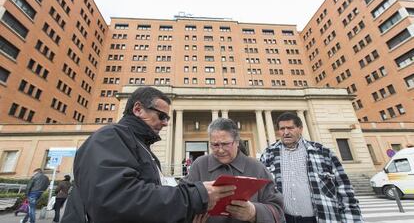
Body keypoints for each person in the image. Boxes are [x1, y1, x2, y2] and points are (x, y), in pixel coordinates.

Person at [62, 86, 235, 223]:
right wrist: (196, 196)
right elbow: (118, 201)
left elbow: (149, 206)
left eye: (167, 118)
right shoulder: (109, 137)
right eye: (161, 116)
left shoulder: (143, 148)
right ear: (138, 109)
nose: (165, 123)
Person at [260, 112, 362, 223]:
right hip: (283, 219)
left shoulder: (323, 152)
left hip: (319, 218)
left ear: (300, 129)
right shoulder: (268, 154)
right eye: (282, 129)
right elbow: (261, 189)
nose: (286, 133)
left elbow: (344, 189)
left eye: (290, 128)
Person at [186, 118, 284, 223]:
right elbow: (183, 202)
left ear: (237, 142)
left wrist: (254, 212)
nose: (220, 150)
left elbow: (278, 210)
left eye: (225, 144)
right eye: (215, 145)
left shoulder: (257, 167)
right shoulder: (199, 165)